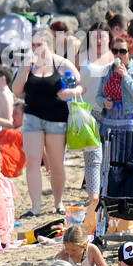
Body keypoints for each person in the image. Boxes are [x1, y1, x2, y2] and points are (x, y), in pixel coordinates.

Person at [13, 31, 81, 216]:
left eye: (39, 44)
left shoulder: (61, 64)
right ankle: (36, 207)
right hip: (32, 117)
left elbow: (80, 84)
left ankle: (58, 203)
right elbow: (17, 90)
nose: (35, 48)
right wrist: (25, 69)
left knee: (56, 164)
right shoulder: (29, 64)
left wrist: (71, 92)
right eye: (33, 45)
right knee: (33, 162)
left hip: (57, 119)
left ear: (49, 44)